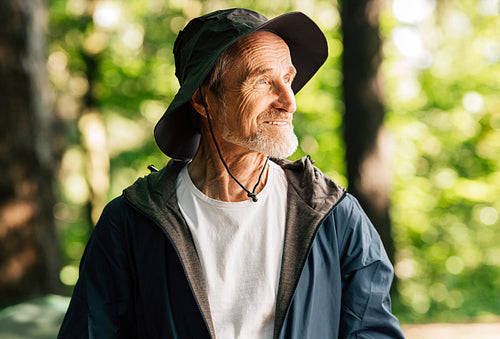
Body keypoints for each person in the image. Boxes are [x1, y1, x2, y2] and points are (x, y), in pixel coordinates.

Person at [58, 8, 405, 339]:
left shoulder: (334, 216)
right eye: (263, 81)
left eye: (287, 79)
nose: (289, 101)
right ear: (202, 99)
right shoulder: (130, 224)